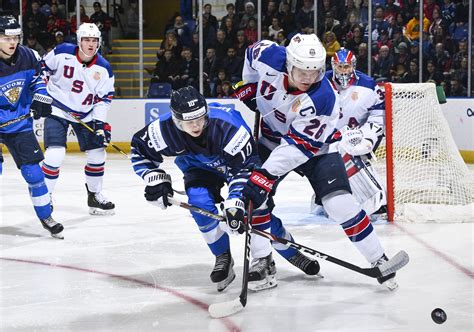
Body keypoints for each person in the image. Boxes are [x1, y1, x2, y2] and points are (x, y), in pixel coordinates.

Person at [234, 33, 398, 290]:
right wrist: (251, 85)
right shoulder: (268, 55)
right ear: (288, 63)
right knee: (256, 200)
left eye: (316, 72)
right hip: (270, 139)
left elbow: (298, 147)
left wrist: (266, 174)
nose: (309, 78)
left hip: (315, 149)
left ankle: (379, 259)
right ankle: (263, 260)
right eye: (302, 72)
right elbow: (249, 55)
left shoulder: (323, 98)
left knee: (339, 204)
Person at [130, 86, 319, 291]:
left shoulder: (229, 128)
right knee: (199, 202)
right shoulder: (162, 130)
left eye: (200, 119)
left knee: (253, 207)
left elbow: (247, 167)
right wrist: (155, 179)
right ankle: (223, 257)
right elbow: (140, 151)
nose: (196, 126)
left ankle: (282, 255)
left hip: (237, 166)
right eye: (189, 122)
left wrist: (235, 202)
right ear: (176, 121)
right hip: (197, 166)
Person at [40, 23, 115, 215]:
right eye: (87, 39)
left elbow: (103, 99)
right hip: (57, 109)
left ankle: (94, 195)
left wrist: (99, 125)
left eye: (94, 40)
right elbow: (41, 69)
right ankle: (43, 197)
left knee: (98, 154)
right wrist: (41, 94)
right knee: (55, 155)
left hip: (86, 114)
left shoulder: (104, 68)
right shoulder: (62, 52)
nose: (91, 44)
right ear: (79, 40)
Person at [0, 16, 63, 238]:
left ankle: (46, 216)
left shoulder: (28, 55)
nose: (12, 42)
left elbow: (37, 80)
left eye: (16, 37)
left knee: (34, 174)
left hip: (19, 123)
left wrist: (41, 98)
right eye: (7, 37)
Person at [325, 48, 387, 216]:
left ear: (353, 66)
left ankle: (378, 200)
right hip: (327, 137)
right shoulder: (322, 82)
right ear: (333, 66)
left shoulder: (368, 84)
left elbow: (379, 114)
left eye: (346, 67)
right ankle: (324, 196)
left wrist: (368, 136)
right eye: (339, 67)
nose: (343, 71)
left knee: (353, 156)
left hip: (357, 136)